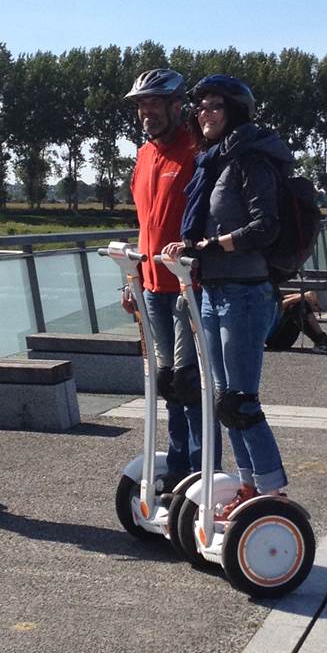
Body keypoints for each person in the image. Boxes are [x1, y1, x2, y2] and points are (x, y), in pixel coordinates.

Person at [164, 74, 292, 519]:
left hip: (245, 293)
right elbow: (206, 227)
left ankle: (273, 493)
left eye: (215, 106)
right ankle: (249, 485)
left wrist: (212, 246)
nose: (205, 113)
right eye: (200, 106)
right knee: (224, 401)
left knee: (241, 401)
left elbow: (265, 227)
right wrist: (189, 247)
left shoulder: (249, 160)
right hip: (212, 290)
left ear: (235, 111)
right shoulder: (212, 162)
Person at [123, 68, 209, 490]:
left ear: (177, 106)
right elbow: (146, 225)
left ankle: (201, 469)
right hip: (152, 286)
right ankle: (178, 466)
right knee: (168, 382)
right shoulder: (144, 155)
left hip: (187, 287)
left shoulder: (196, 151)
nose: (147, 113)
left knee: (188, 382)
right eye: (142, 106)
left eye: (154, 104)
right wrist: (132, 281)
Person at [265, 286, 327, 352]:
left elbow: (280, 299)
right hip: (274, 340)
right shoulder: (259, 294)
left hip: (280, 333)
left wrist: (305, 296)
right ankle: (320, 341)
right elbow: (277, 307)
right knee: (297, 306)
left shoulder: (266, 287)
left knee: (301, 303)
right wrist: (302, 297)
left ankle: (322, 338)